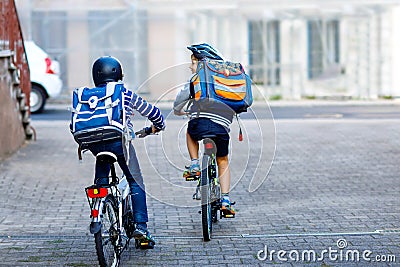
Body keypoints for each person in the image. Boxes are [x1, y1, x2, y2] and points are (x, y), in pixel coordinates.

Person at [76, 56, 165, 246]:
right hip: (120, 143)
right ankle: (141, 227)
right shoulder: (123, 92)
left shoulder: (88, 96)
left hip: (95, 145)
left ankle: (99, 207)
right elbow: (153, 112)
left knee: (100, 182)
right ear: (118, 74)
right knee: (135, 182)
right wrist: (158, 125)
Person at [173, 43, 235, 216]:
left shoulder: (195, 80)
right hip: (222, 126)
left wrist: (179, 111)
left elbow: (179, 102)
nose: (190, 66)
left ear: (201, 64)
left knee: (190, 131)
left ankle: (194, 164)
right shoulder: (224, 79)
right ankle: (226, 199)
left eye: (192, 62)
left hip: (199, 124)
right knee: (222, 160)